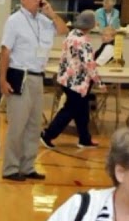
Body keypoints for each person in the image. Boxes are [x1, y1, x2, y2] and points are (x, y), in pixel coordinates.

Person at [0, 0, 68, 182]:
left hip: (38, 75)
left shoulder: (44, 20)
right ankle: (11, 168)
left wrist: (51, 13)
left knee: (33, 124)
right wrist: (2, 79)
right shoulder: (14, 21)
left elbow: (63, 30)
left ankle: (28, 166)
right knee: (18, 125)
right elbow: (6, 51)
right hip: (20, 74)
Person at [40, 10, 101, 151]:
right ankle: (48, 134)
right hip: (78, 81)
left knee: (82, 109)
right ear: (91, 25)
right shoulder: (84, 41)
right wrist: (99, 81)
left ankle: (84, 138)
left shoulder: (71, 35)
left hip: (66, 78)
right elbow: (88, 63)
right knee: (70, 110)